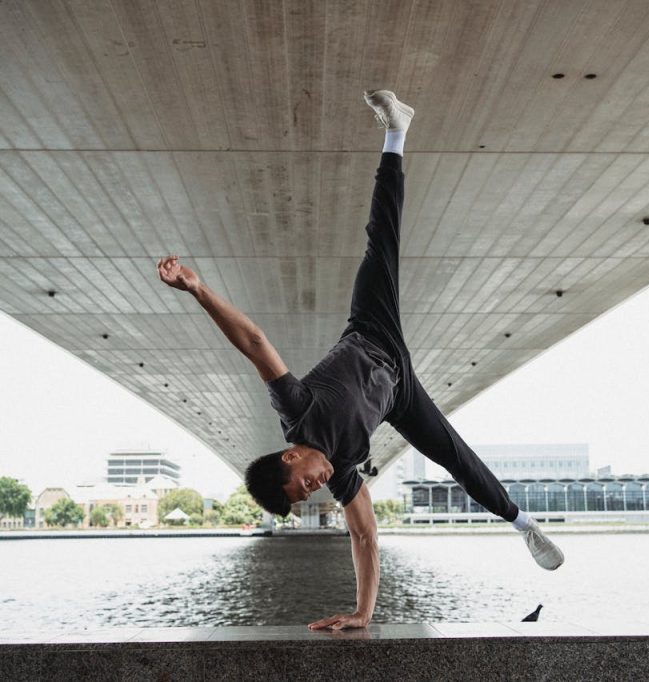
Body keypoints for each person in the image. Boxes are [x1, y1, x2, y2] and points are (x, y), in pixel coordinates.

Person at [157, 90, 564, 631]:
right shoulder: (343, 471)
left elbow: (255, 343)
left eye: (304, 484)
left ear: (289, 456)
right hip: (402, 394)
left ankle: (396, 131)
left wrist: (200, 290)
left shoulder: (296, 411)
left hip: (372, 327)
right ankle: (524, 524)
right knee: (455, 458)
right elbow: (365, 535)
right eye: (310, 493)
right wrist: (363, 614)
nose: (316, 485)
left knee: (381, 241)